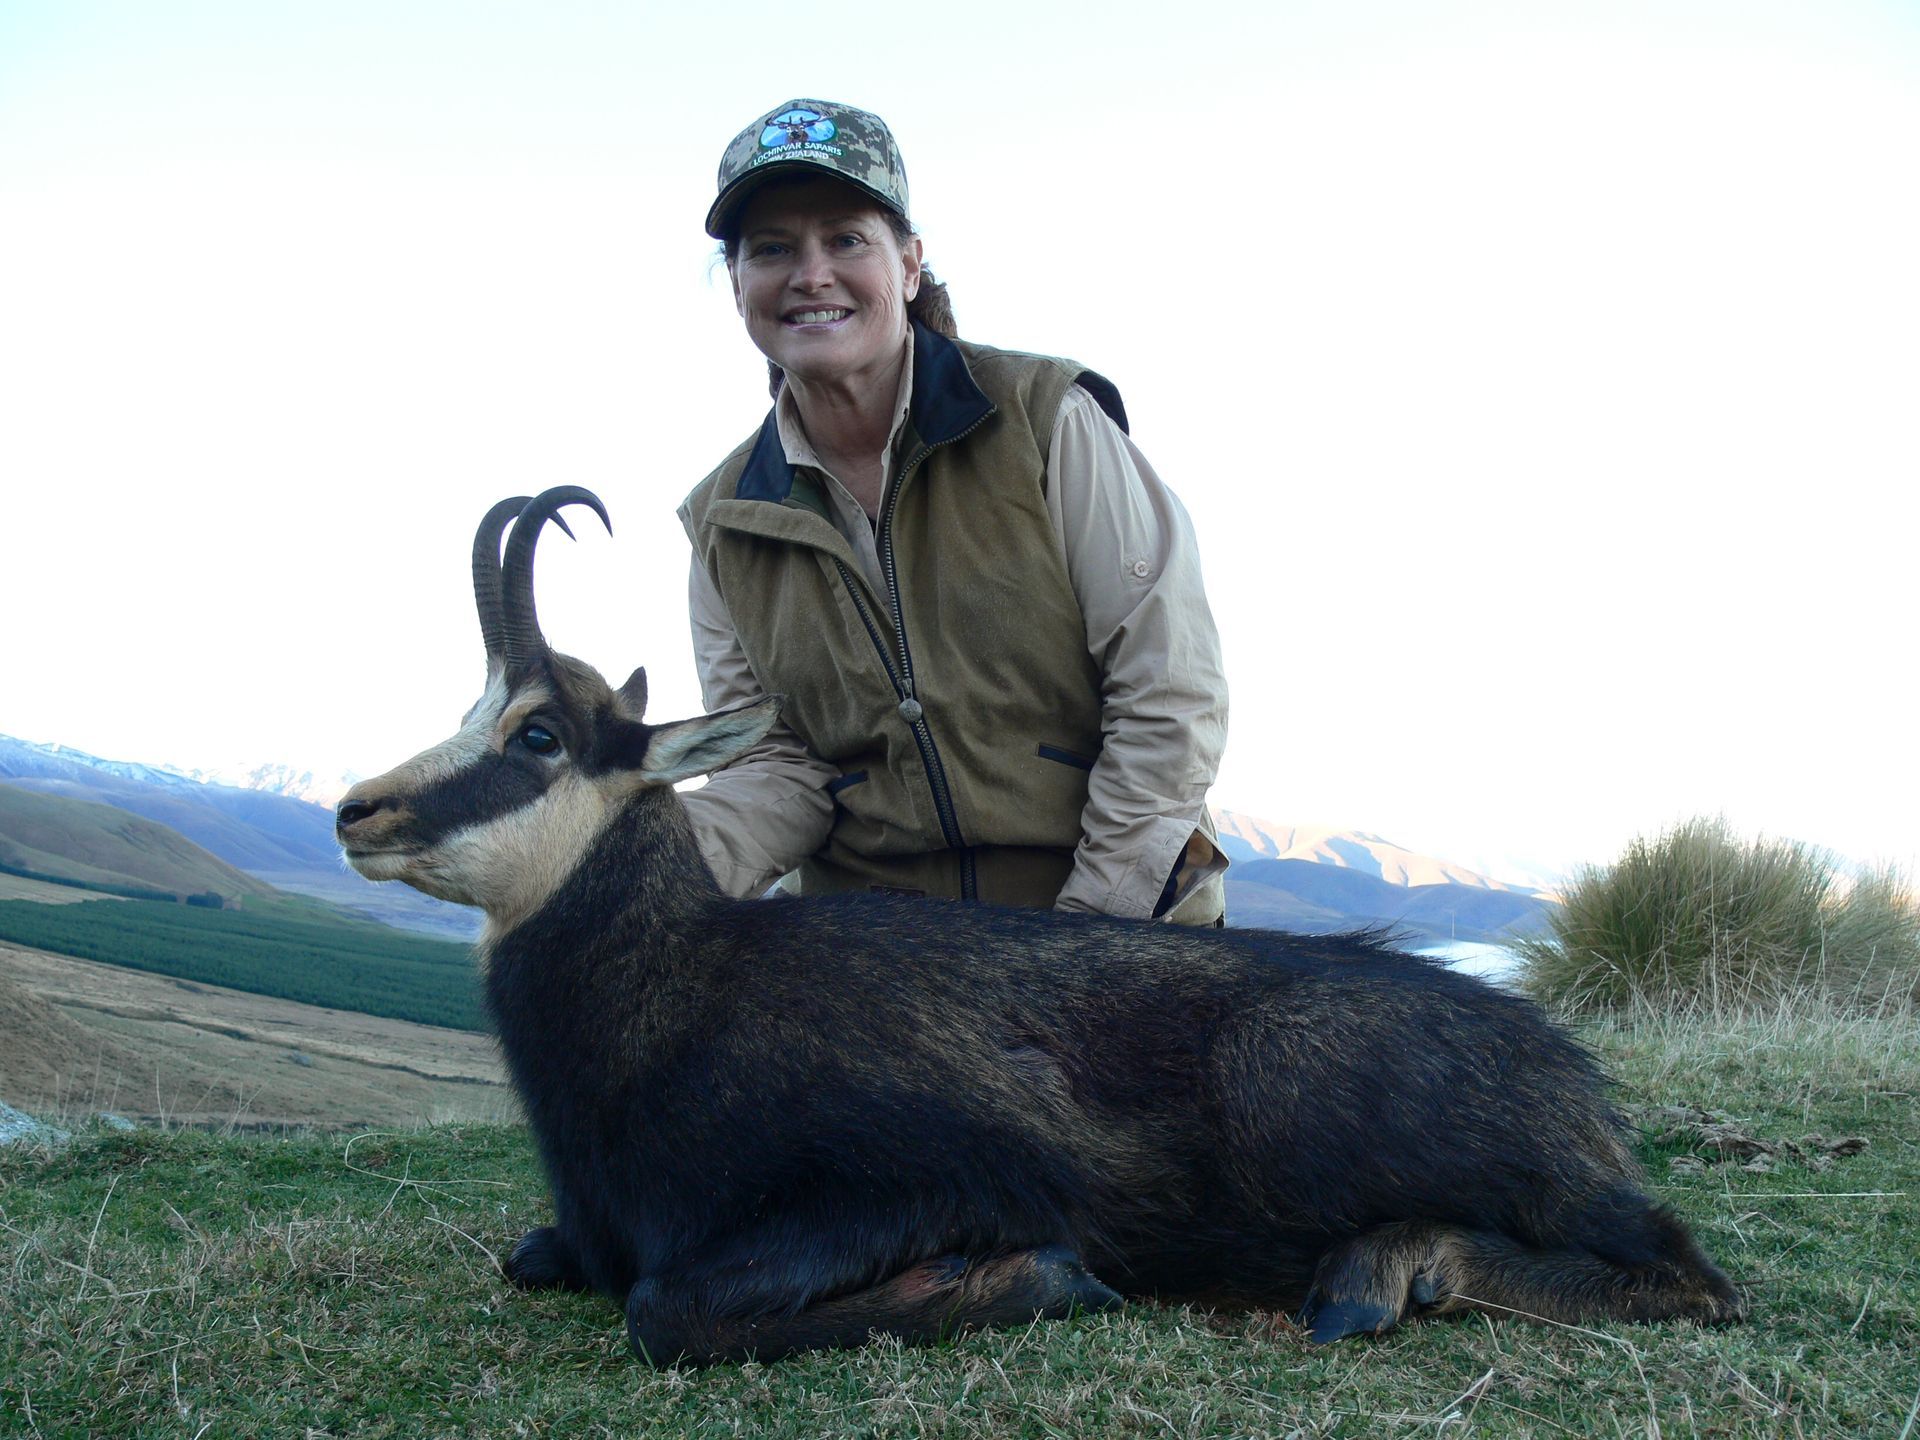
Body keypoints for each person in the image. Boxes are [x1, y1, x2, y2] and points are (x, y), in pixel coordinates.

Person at [678, 99, 1229, 924]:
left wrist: (1090, 942)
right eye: (772, 249)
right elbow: (773, 772)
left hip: (1114, 940)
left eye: (845, 238)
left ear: (907, 264)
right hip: (884, 976)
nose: (811, 273)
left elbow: (1168, 695)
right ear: (738, 285)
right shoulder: (723, 522)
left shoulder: (1047, 420)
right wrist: (629, 875)